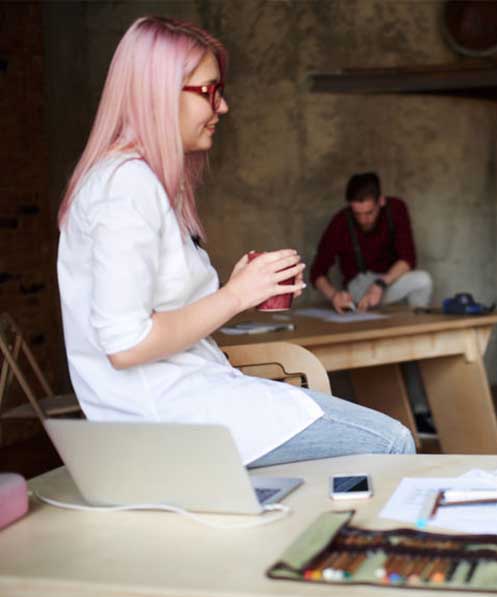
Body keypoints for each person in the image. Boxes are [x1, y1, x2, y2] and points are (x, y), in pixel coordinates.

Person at [56, 16, 414, 467]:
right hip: (171, 416)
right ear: (160, 95)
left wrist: (241, 291)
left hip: (190, 400)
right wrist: (235, 295)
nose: (222, 106)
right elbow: (127, 344)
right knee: (391, 442)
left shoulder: (131, 182)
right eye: (209, 91)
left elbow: (159, 312)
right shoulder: (125, 186)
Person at [310, 172, 433, 313]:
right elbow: (317, 271)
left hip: (388, 280)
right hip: (359, 286)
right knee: (360, 289)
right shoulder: (341, 222)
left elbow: (408, 260)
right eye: (357, 214)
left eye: (369, 213)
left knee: (423, 280)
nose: (363, 220)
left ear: (381, 201)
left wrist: (380, 285)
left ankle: (416, 325)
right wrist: (334, 296)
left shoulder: (396, 209)